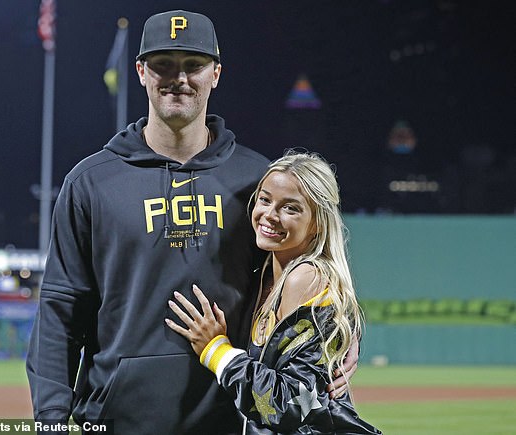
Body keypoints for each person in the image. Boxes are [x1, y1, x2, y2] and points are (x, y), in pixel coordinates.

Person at [26, 10, 357, 434]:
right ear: (141, 71)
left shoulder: (257, 181)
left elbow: (314, 270)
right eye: (163, 64)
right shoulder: (91, 182)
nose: (178, 78)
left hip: (231, 418)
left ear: (215, 74)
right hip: (117, 419)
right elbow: (60, 310)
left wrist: (337, 341)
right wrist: (50, 421)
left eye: (193, 65)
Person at [167, 152, 380, 434]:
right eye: (265, 200)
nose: (270, 215)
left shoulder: (305, 278)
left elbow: (289, 405)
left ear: (318, 222)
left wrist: (215, 350)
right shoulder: (269, 270)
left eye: (290, 208)